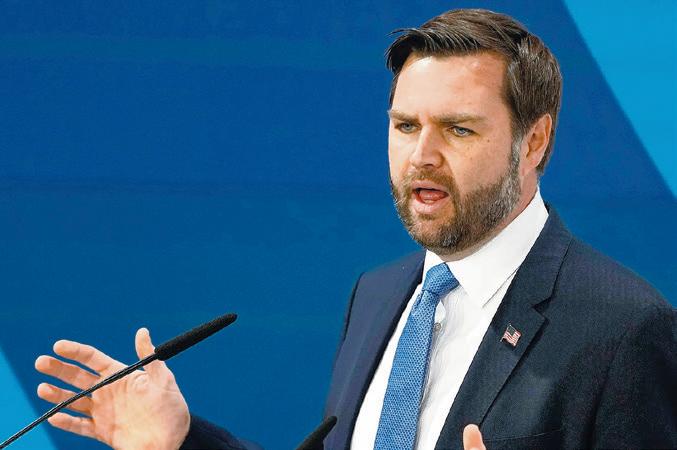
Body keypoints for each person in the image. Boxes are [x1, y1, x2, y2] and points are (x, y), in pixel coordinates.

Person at [34, 8, 675, 450]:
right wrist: (180, 439)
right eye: (405, 126)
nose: (421, 156)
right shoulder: (380, 294)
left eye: (458, 129)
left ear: (533, 141)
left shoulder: (623, 330)